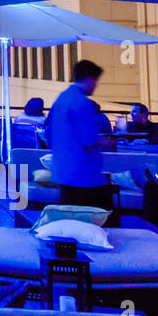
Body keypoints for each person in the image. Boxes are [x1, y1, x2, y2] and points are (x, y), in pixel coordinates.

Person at [47, 60, 114, 208]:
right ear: (90, 79)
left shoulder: (62, 98)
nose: (96, 85)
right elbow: (89, 141)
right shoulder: (83, 103)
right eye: (96, 81)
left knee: (68, 212)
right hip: (84, 173)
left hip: (63, 168)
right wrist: (105, 141)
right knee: (102, 214)